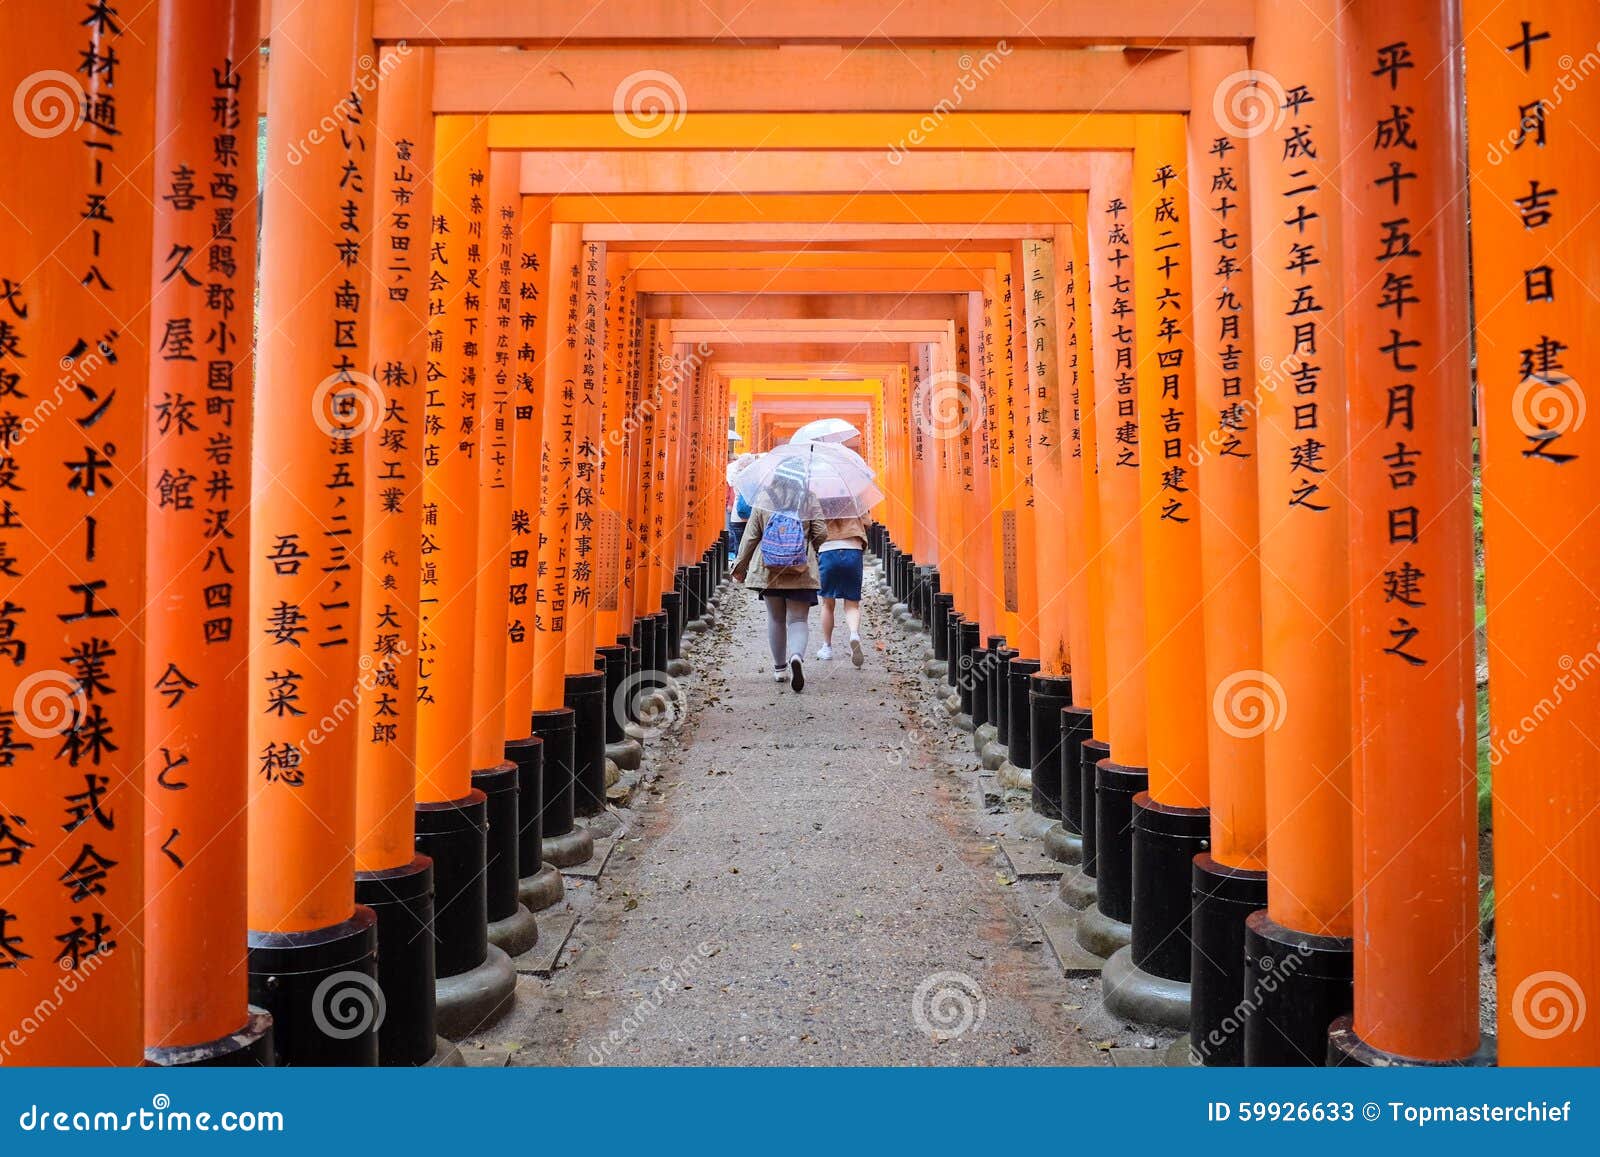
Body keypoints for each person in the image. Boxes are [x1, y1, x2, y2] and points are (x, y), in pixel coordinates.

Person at [730, 460, 828, 692]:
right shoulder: (808, 498)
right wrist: (808, 544)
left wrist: (740, 567)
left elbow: (751, 536)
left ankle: (779, 668)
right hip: (800, 569)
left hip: (770, 569)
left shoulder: (763, 498)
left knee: (775, 619)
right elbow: (822, 533)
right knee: (798, 620)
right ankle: (796, 656)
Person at [815, 499, 868, 667]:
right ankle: (854, 634)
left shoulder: (817, 499)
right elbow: (868, 521)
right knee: (852, 604)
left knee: (827, 603)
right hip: (853, 548)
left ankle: (827, 647)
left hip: (827, 549)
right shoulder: (854, 496)